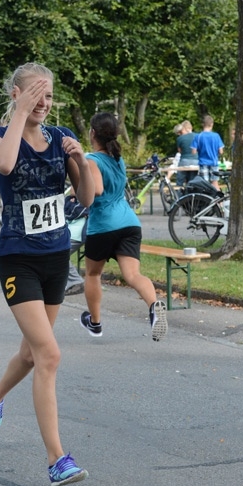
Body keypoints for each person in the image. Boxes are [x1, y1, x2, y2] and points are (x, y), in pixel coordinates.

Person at [0, 62, 95, 486]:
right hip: (19, 260)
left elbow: (86, 199)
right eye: (35, 95)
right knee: (49, 355)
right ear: (16, 94)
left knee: (31, 354)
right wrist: (20, 114)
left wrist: (80, 160)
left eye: (48, 96)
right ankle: (56, 459)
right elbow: (5, 165)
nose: (44, 103)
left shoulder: (60, 137)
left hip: (56, 258)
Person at [80, 112, 168, 342]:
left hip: (103, 225)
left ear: (92, 133)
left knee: (93, 273)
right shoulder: (117, 159)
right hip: (129, 222)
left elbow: (97, 189)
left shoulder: (92, 159)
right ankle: (154, 306)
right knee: (133, 274)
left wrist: (78, 188)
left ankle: (95, 323)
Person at [64, 188, 89, 296]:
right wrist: (70, 201)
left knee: (60, 255)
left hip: (78, 235)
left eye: (74, 187)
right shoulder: (70, 199)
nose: (71, 189)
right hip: (68, 233)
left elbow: (74, 213)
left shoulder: (86, 200)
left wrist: (71, 204)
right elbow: (63, 211)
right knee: (54, 254)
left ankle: (76, 281)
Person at [190, 115, 224, 190]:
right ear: (212, 124)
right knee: (215, 183)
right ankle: (218, 197)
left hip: (203, 163)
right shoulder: (216, 136)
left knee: (205, 184)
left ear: (203, 124)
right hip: (214, 162)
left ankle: (207, 197)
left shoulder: (198, 136)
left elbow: (193, 152)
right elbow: (221, 151)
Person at [175, 120, 198, 188]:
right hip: (196, 161)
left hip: (184, 160)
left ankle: (179, 193)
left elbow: (180, 151)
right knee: (193, 180)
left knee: (180, 181)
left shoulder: (180, 138)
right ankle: (192, 193)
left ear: (183, 128)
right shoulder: (197, 136)